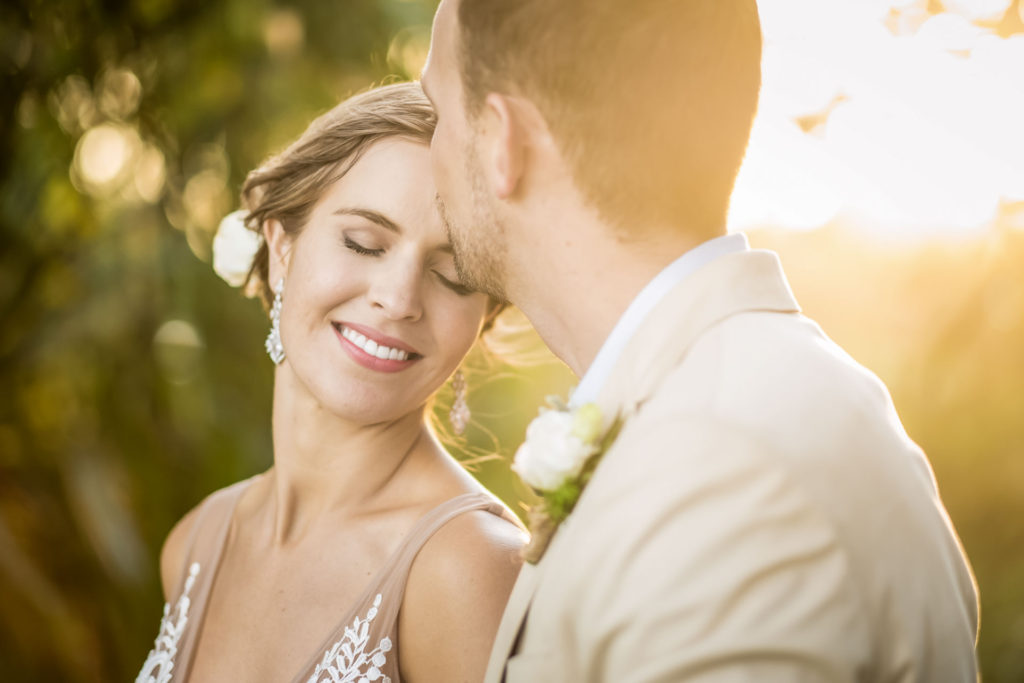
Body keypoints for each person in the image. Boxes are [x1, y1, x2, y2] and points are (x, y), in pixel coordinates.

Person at [421, 0, 980, 681]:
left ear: (503, 142)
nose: (430, 157)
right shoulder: (728, 399)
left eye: (438, 114)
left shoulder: (723, 467)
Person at [136, 82, 524, 683]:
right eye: (363, 243)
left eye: (452, 275)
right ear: (282, 246)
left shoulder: (469, 569)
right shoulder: (195, 544)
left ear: (484, 318)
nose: (397, 300)